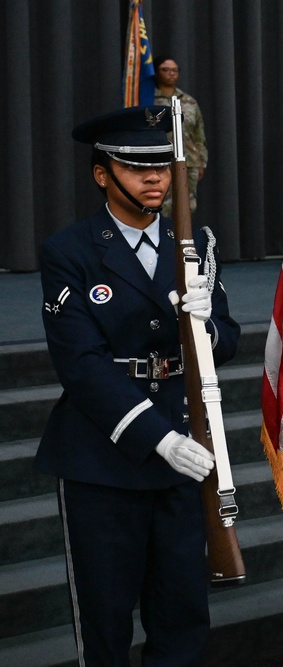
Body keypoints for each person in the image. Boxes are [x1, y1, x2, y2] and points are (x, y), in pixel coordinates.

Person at [36, 105, 240, 665]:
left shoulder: (194, 240)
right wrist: (158, 438)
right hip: (105, 456)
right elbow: (81, 364)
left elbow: (227, 341)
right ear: (102, 173)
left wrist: (208, 325)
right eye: (134, 166)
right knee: (105, 624)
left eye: (161, 166)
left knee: (181, 618)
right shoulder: (71, 251)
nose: (153, 178)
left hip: (184, 447)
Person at [154, 55, 208, 216]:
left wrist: (201, 162)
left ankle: (184, 240)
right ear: (156, 72)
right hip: (160, 162)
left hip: (189, 162)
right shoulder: (149, 100)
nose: (171, 74)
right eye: (166, 70)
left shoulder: (189, 101)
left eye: (175, 70)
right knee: (162, 207)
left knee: (187, 207)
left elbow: (199, 134)